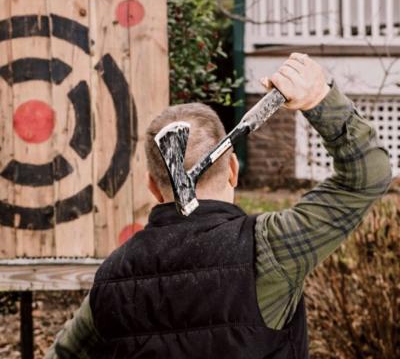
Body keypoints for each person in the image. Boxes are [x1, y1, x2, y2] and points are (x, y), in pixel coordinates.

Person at [45, 53, 392, 358]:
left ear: (152, 186)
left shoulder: (112, 279)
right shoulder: (269, 249)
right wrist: (320, 99)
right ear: (234, 170)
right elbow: (367, 176)